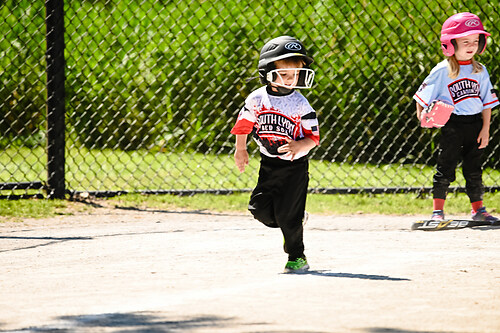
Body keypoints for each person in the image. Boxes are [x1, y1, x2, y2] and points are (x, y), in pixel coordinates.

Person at [230, 36, 320, 272]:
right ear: (268, 71)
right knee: (258, 209)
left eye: (296, 75)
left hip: (295, 168)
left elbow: (313, 137)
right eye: (286, 74)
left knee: (287, 216)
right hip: (269, 164)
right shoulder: (258, 98)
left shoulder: (301, 104)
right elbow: (244, 125)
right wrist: (241, 149)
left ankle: (297, 257)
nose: (291, 80)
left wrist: (300, 147)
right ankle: (295, 219)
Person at [413, 12, 499, 222]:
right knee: (446, 167)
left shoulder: (480, 70)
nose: (471, 45)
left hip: (475, 124)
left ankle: (478, 210)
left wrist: (486, 128)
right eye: (465, 41)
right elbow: (421, 98)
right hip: (453, 125)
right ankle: (437, 212)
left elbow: (487, 103)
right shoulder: (443, 70)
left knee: (474, 170)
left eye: (476, 41)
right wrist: (423, 117)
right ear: (450, 44)